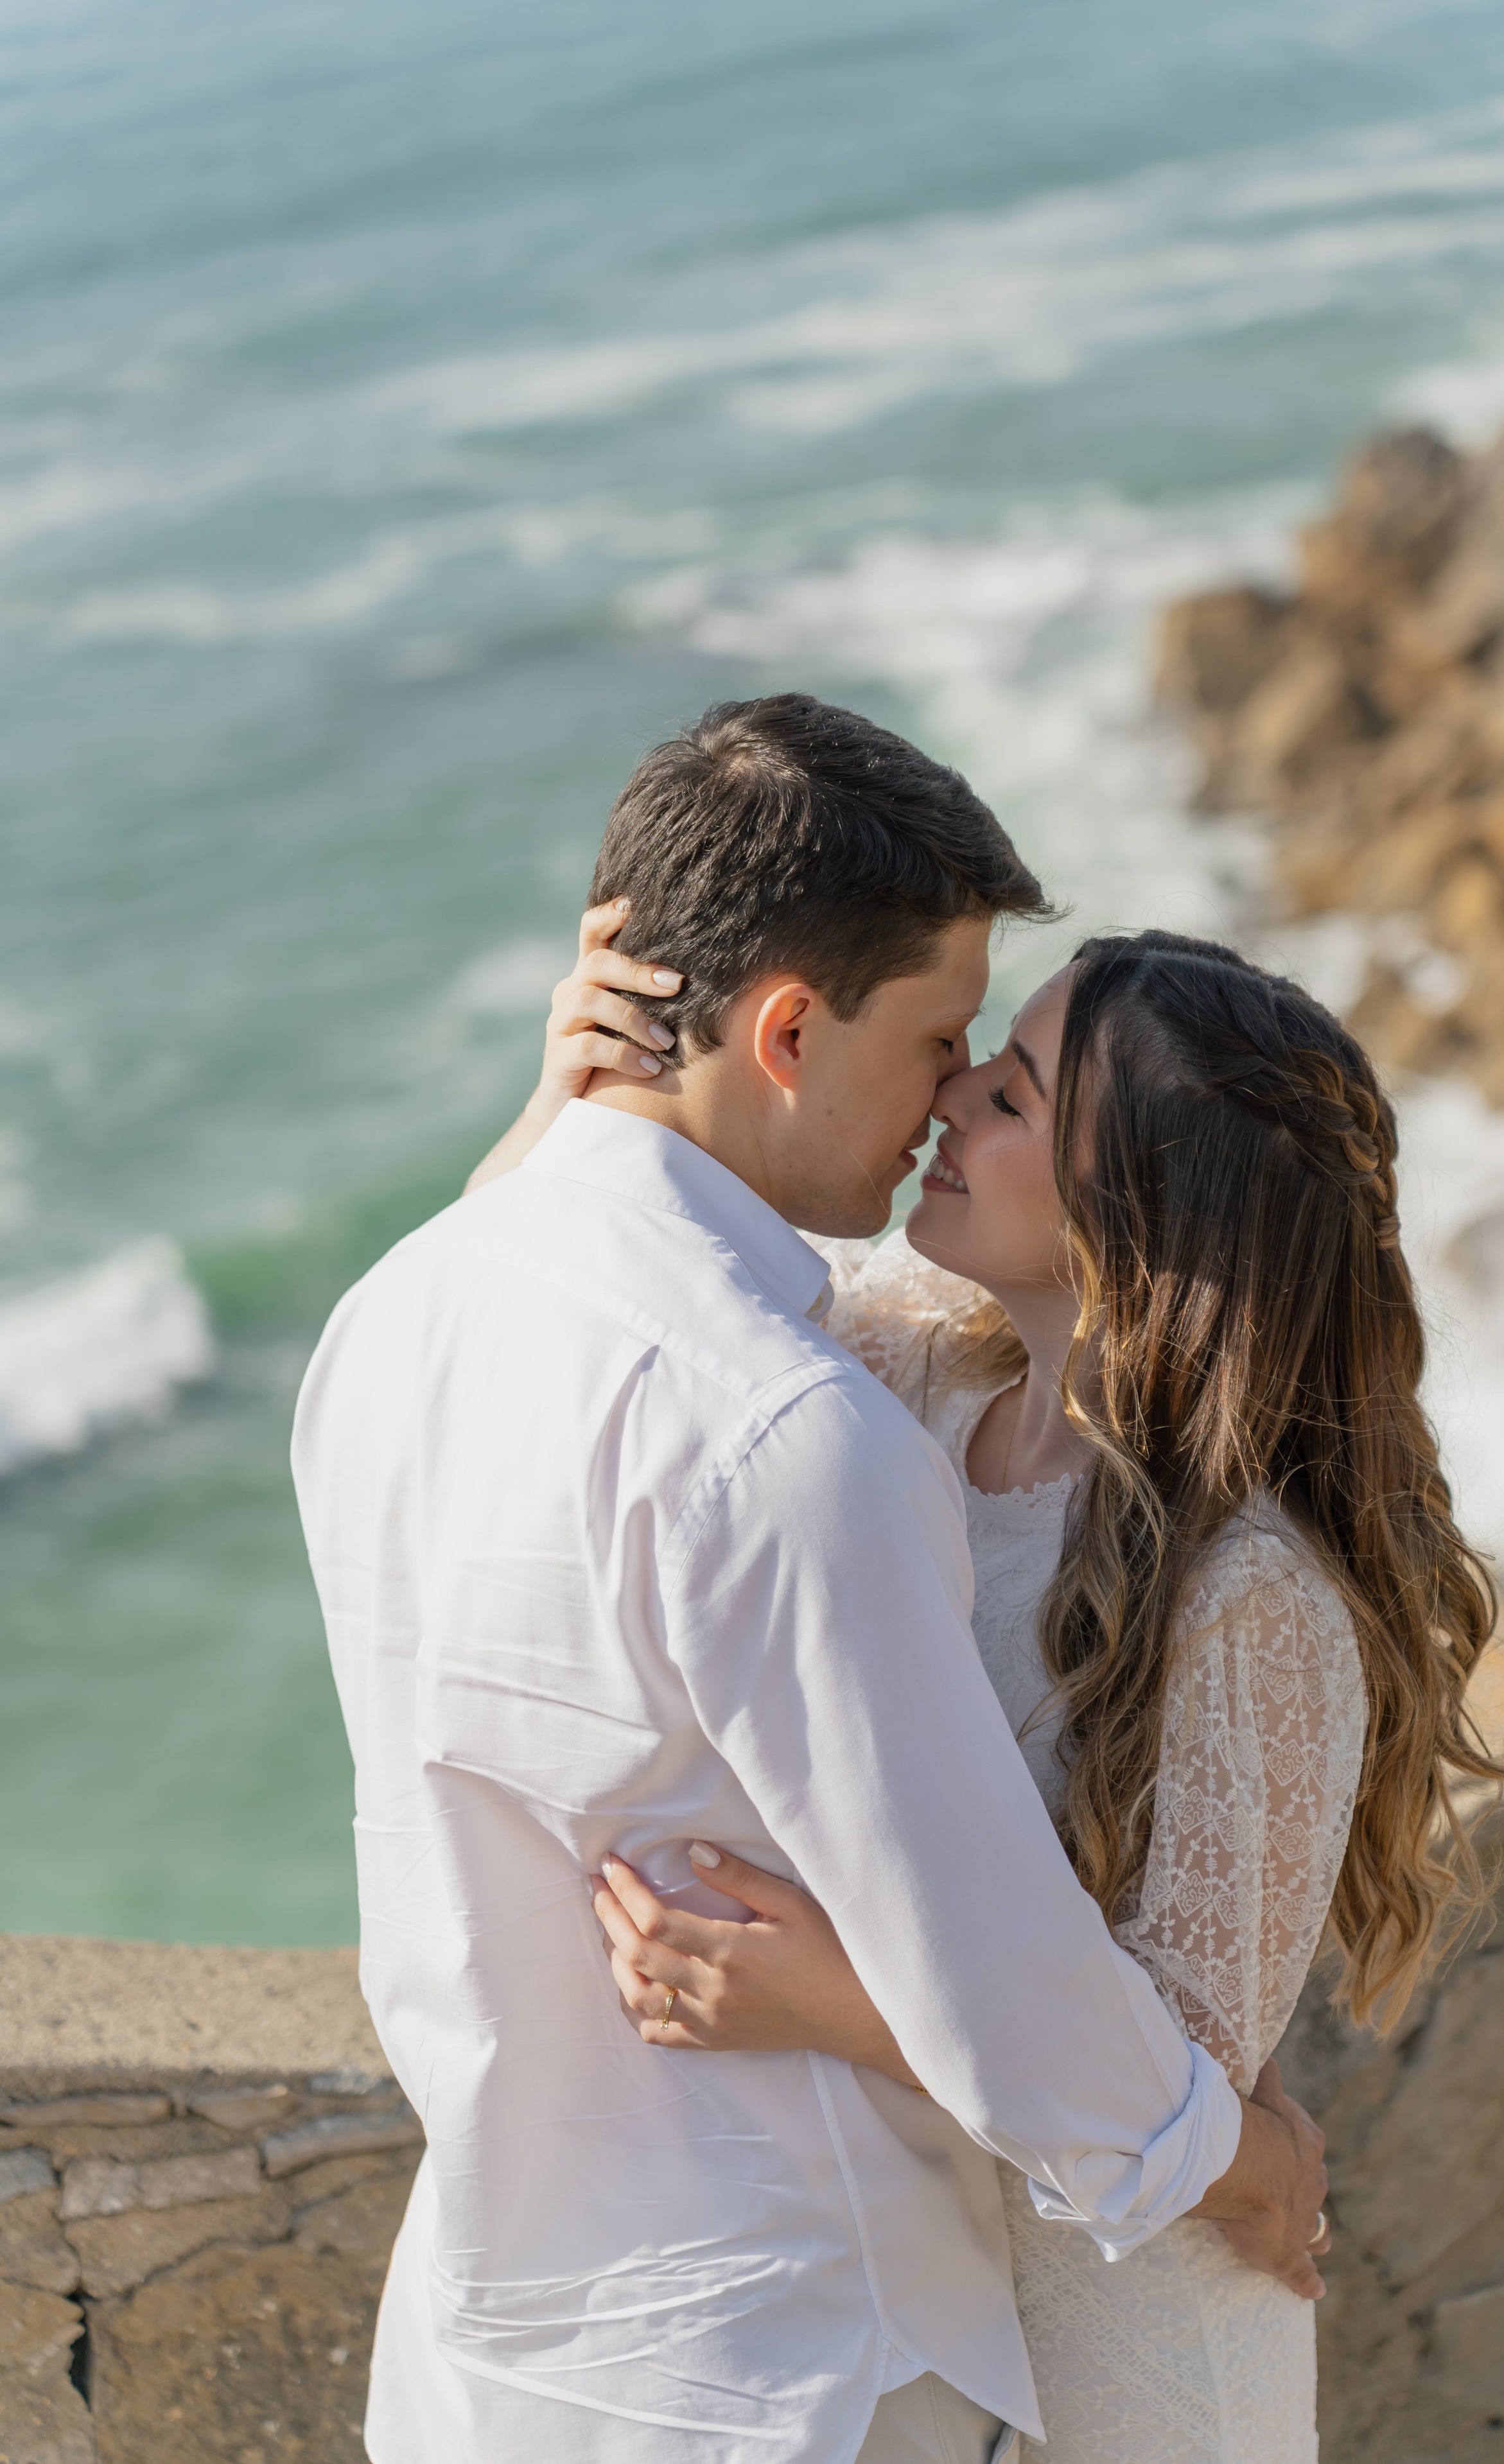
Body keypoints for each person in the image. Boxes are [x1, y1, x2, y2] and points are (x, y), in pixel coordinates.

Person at [293, 695, 1329, 2464]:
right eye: (941, 1041)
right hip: (793, 2366)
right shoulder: (783, 1429)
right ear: (786, 1027)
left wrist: (570, 1108)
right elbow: (1000, 1980)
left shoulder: (392, 1316)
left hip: (488, 2361)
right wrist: (1247, 2163)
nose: (948, 1094)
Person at [498, 906, 1504, 2463]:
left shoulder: (1251, 1594)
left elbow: (1179, 2085)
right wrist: (565, 1114)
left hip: (1126, 2354)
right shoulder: (913, 1374)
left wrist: (821, 2000)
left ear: (1141, 1203)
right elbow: (589, 1336)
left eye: (1016, 1093)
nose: (954, 1091)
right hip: (913, 2302)